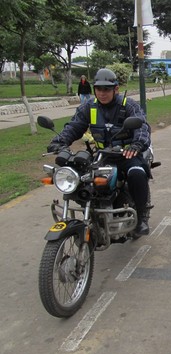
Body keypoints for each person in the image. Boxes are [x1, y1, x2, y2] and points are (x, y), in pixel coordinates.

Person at [47, 68, 152, 236]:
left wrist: (137, 145)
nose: (102, 93)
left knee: (137, 173)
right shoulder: (89, 106)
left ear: (116, 89)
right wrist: (59, 142)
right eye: (99, 89)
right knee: (83, 179)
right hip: (102, 155)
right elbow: (75, 126)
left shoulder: (129, 105)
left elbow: (142, 126)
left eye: (107, 89)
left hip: (127, 154)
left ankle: (141, 217)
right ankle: (93, 214)